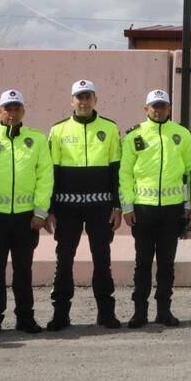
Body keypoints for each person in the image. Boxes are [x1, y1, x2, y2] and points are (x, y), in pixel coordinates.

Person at [0, 90, 53, 338]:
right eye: (8, 108)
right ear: (0, 111)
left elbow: (45, 177)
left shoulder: (36, 140)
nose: (12, 113)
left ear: (23, 112)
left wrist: (40, 213)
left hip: (26, 219)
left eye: (17, 108)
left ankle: (25, 318)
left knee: (23, 270)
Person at [47, 80, 122, 331]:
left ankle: (106, 313)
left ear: (95, 100)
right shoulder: (58, 130)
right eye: (79, 97)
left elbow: (116, 171)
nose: (83, 101)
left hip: (101, 208)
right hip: (67, 209)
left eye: (87, 97)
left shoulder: (110, 129)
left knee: (102, 259)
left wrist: (117, 206)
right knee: (64, 260)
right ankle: (60, 314)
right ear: (72, 101)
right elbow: (51, 173)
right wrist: (50, 209)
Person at [119, 89, 191, 329]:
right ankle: (139, 312)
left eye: (162, 105)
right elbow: (126, 174)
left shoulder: (181, 134)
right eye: (154, 105)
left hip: (171, 211)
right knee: (142, 263)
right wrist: (127, 206)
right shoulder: (134, 136)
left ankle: (164, 311)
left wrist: (188, 204)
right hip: (143, 210)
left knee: (166, 263)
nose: (158, 109)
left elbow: (188, 173)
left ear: (169, 108)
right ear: (146, 109)